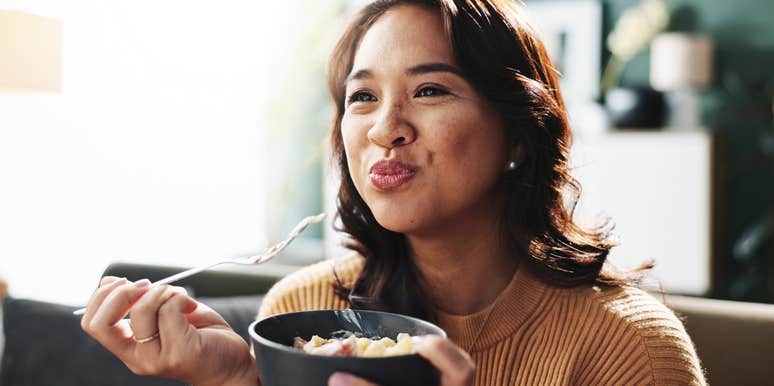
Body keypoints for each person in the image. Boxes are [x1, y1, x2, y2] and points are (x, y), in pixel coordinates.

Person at [81, 0, 706, 385]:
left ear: (518, 133)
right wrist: (237, 383)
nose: (385, 129)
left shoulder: (631, 350)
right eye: (363, 97)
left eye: (430, 90)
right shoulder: (301, 308)